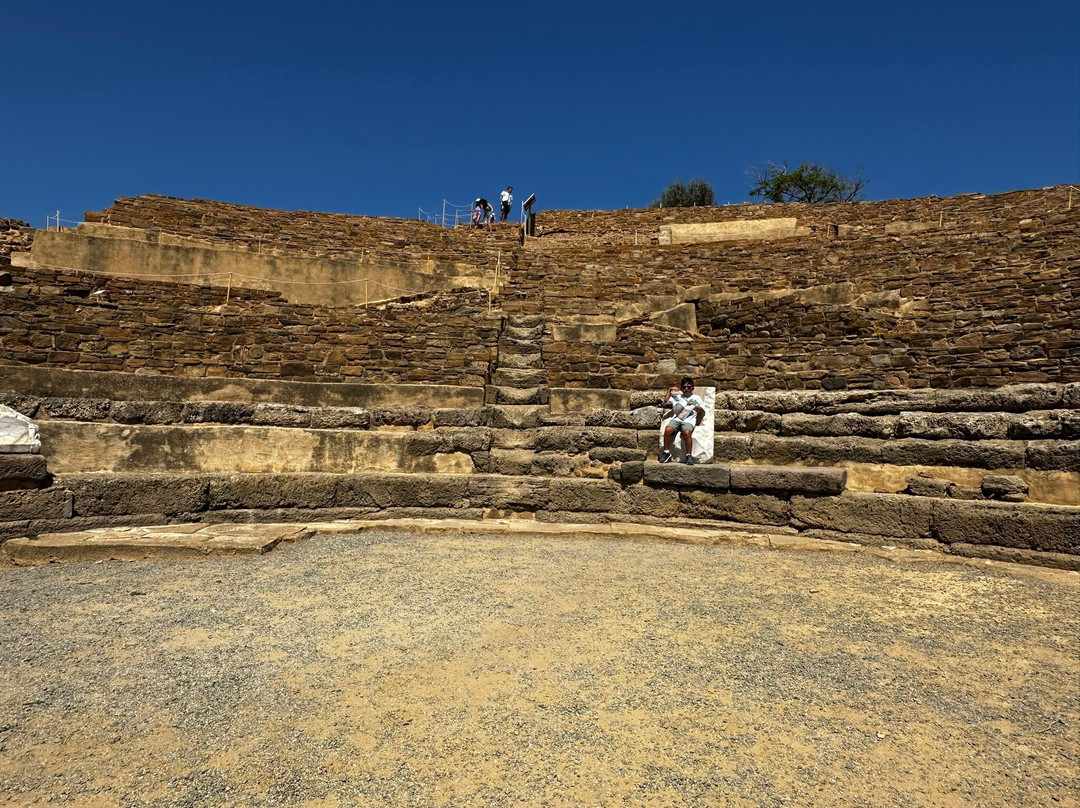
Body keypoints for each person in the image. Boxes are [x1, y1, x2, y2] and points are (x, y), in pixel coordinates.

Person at [659, 376, 705, 464]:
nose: (686, 389)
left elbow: (702, 410)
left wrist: (693, 405)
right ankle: (666, 453)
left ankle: (689, 455)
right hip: (676, 419)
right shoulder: (678, 397)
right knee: (668, 430)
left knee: (687, 433)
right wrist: (669, 390)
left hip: (688, 420)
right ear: (681, 388)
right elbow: (665, 401)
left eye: (688, 387)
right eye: (684, 387)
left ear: (692, 388)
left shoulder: (695, 398)